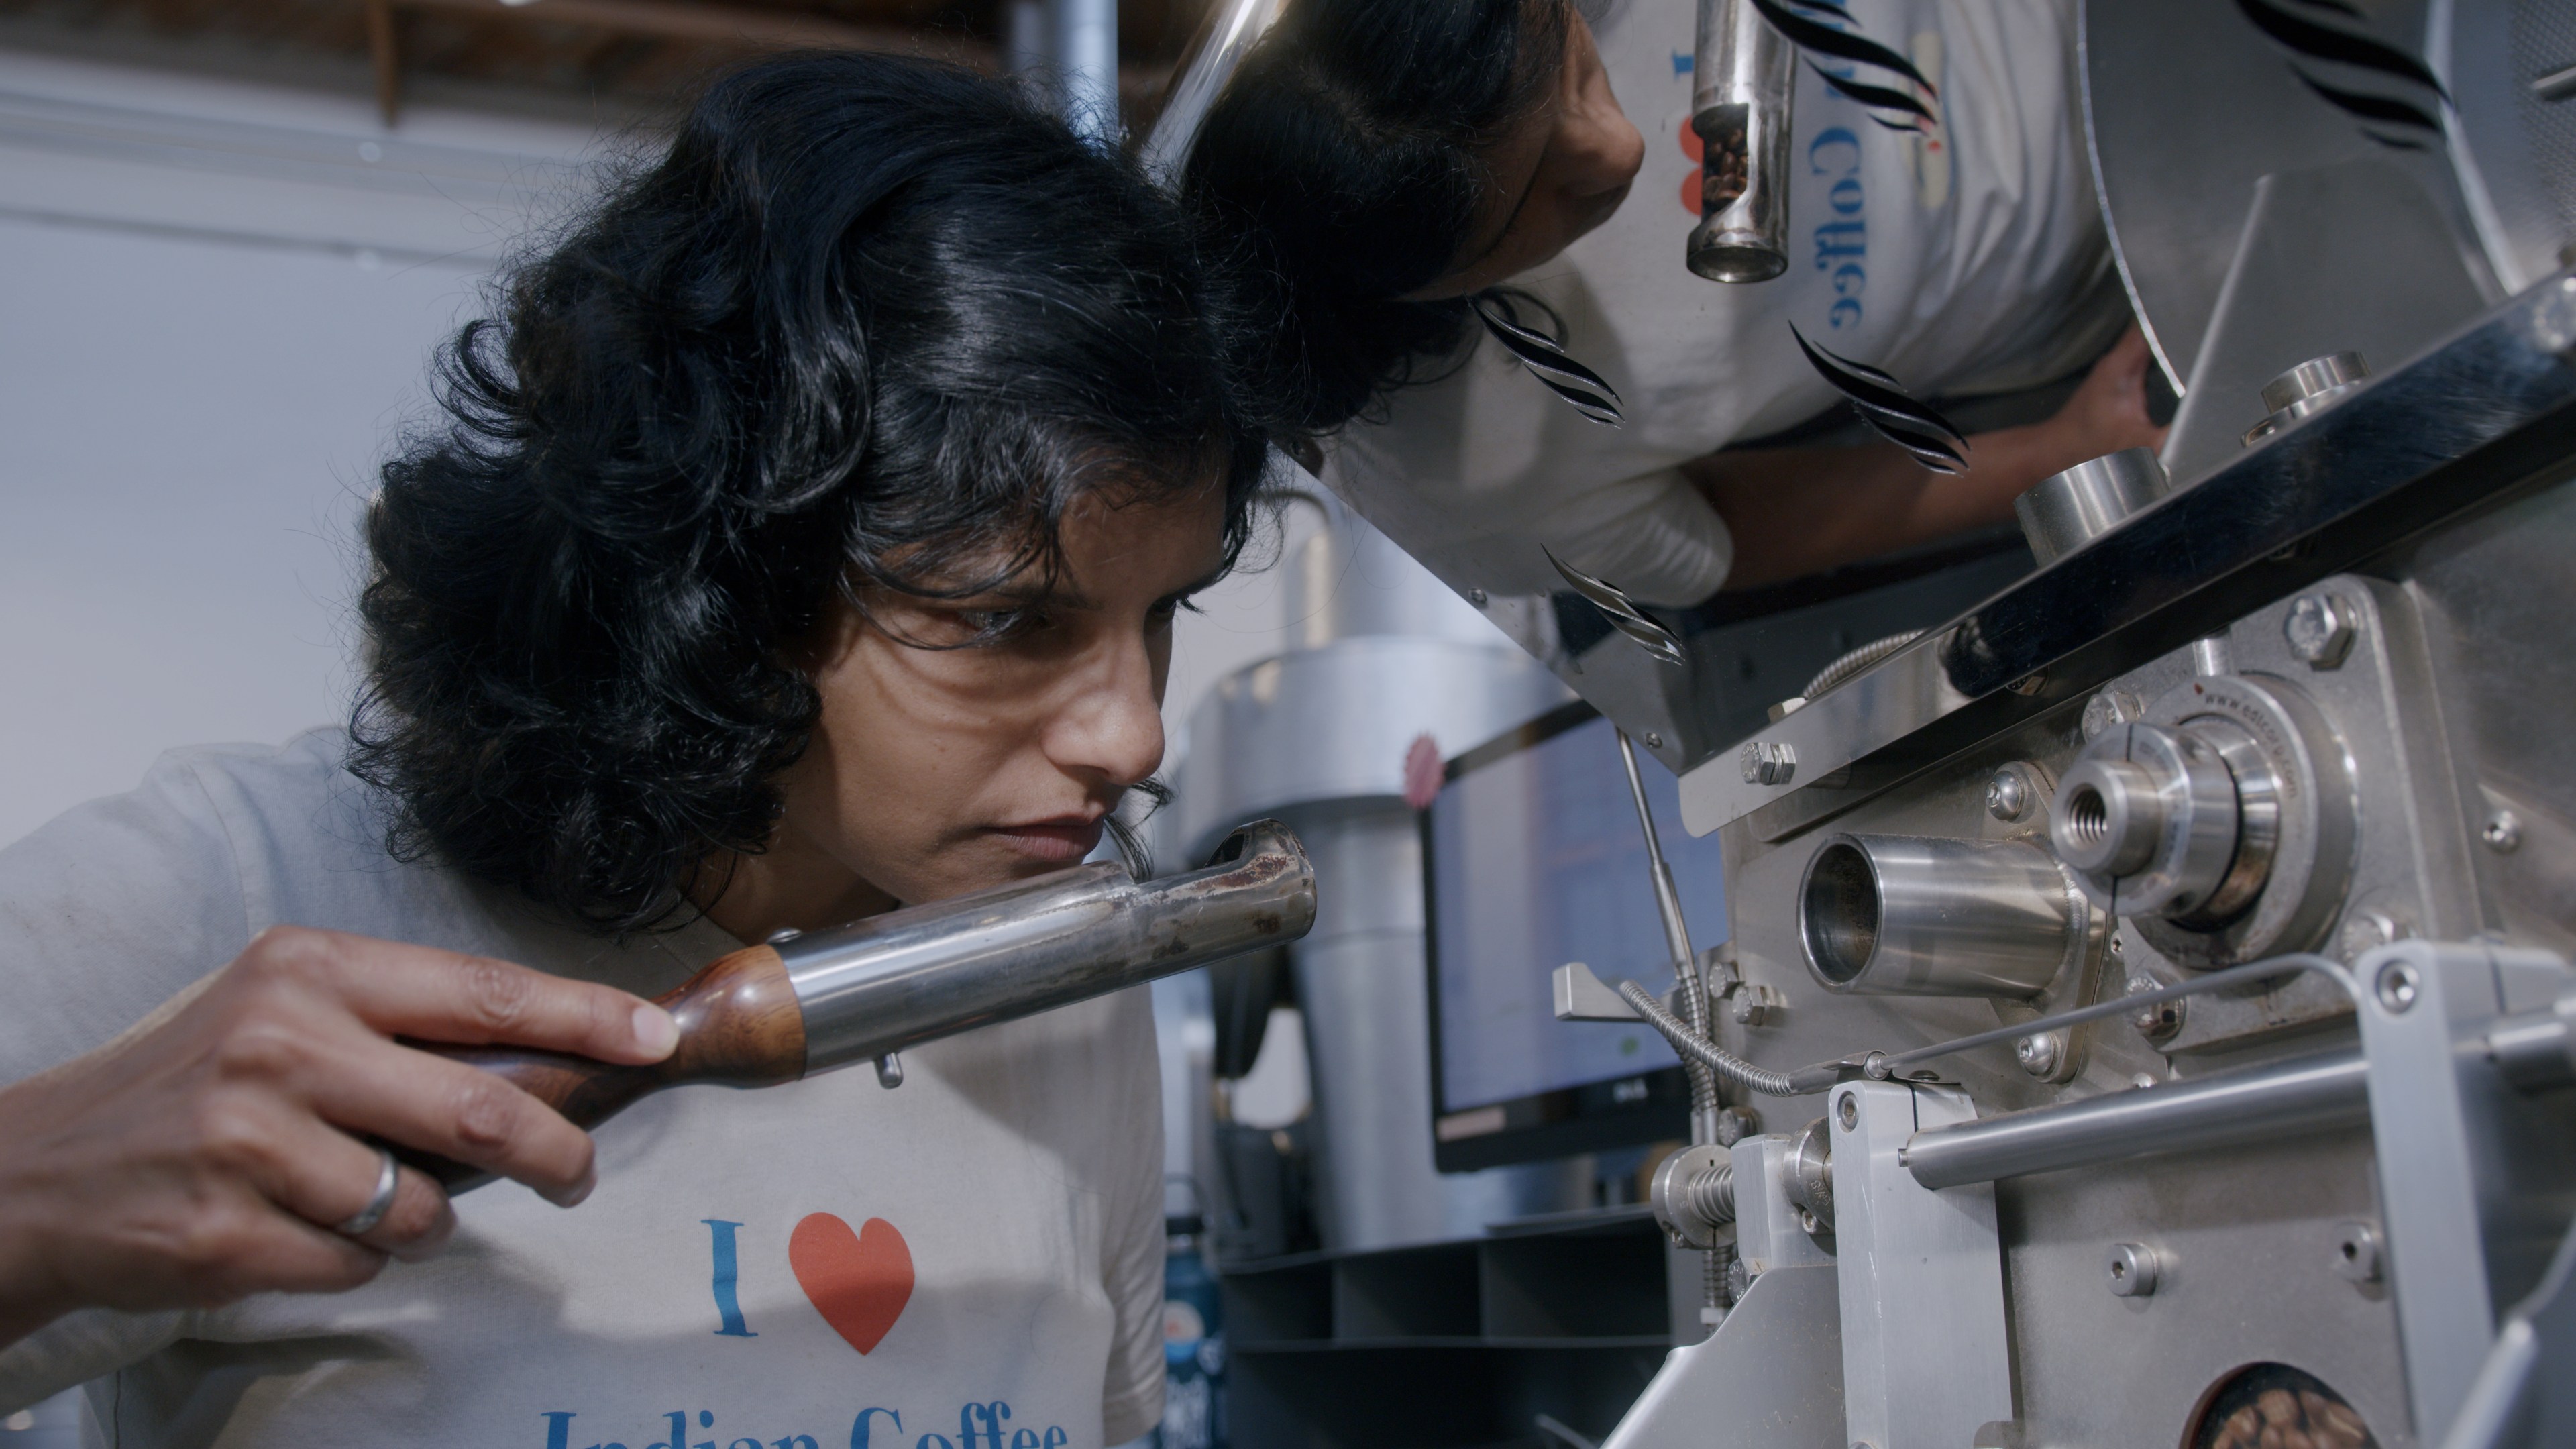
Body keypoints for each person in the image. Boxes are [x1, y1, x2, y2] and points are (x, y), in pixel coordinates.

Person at [0, 52, 1287, 1446]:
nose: (1135, 733)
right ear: (724, 579)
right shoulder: (222, 896)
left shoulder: (1054, 976)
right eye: (1007, 621)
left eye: (1160, 615)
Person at [1184, 0, 2167, 606]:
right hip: (2111, 248)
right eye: (1536, 197)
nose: (1619, 146)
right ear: (1420, 288)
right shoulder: (1462, 487)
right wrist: (2063, 452)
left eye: (1563, 59)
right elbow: (1734, 526)